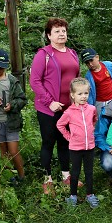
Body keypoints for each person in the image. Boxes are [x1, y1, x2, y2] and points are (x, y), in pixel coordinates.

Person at [29, 18, 80, 194]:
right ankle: (47, 178)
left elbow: (76, 79)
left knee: (66, 141)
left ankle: (66, 175)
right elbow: (34, 81)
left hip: (69, 108)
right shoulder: (43, 55)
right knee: (48, 142)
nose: (61, 34)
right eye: (57, 31)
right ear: (49, 35)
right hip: (48, 109)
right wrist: (49, 102)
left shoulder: (72, 53)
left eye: (64, 30)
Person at [0, 49, 28, 186]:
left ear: (6, 66)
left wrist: (12, 105)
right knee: (4, 152)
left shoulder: (12, 80)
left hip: (11, 122)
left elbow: (22, 99)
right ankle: (9, 178)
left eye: (1, 67)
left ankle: (22, 176)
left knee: (14, 151)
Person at [56, 78, 99, 208]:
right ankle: (73, 196)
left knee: (89, 172)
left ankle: (90, 195)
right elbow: (60, 125)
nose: (83, 96)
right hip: (75, 148)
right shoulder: (69, 112)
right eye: (80, 94)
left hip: (89, 147)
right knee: (75, 172)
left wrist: (90, 132)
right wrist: (69, 137)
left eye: (86, 93)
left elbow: (94, 120)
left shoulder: (91, 109)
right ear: (72, 95)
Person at [81, 47, 112, 116]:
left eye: (91, 60)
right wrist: (90, 108)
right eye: (87, 63)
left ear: (97, 57)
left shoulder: (109, 65)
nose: (90, 64)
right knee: (101, 122)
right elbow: (89, 94)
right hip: (100, 102)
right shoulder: (88, 76)